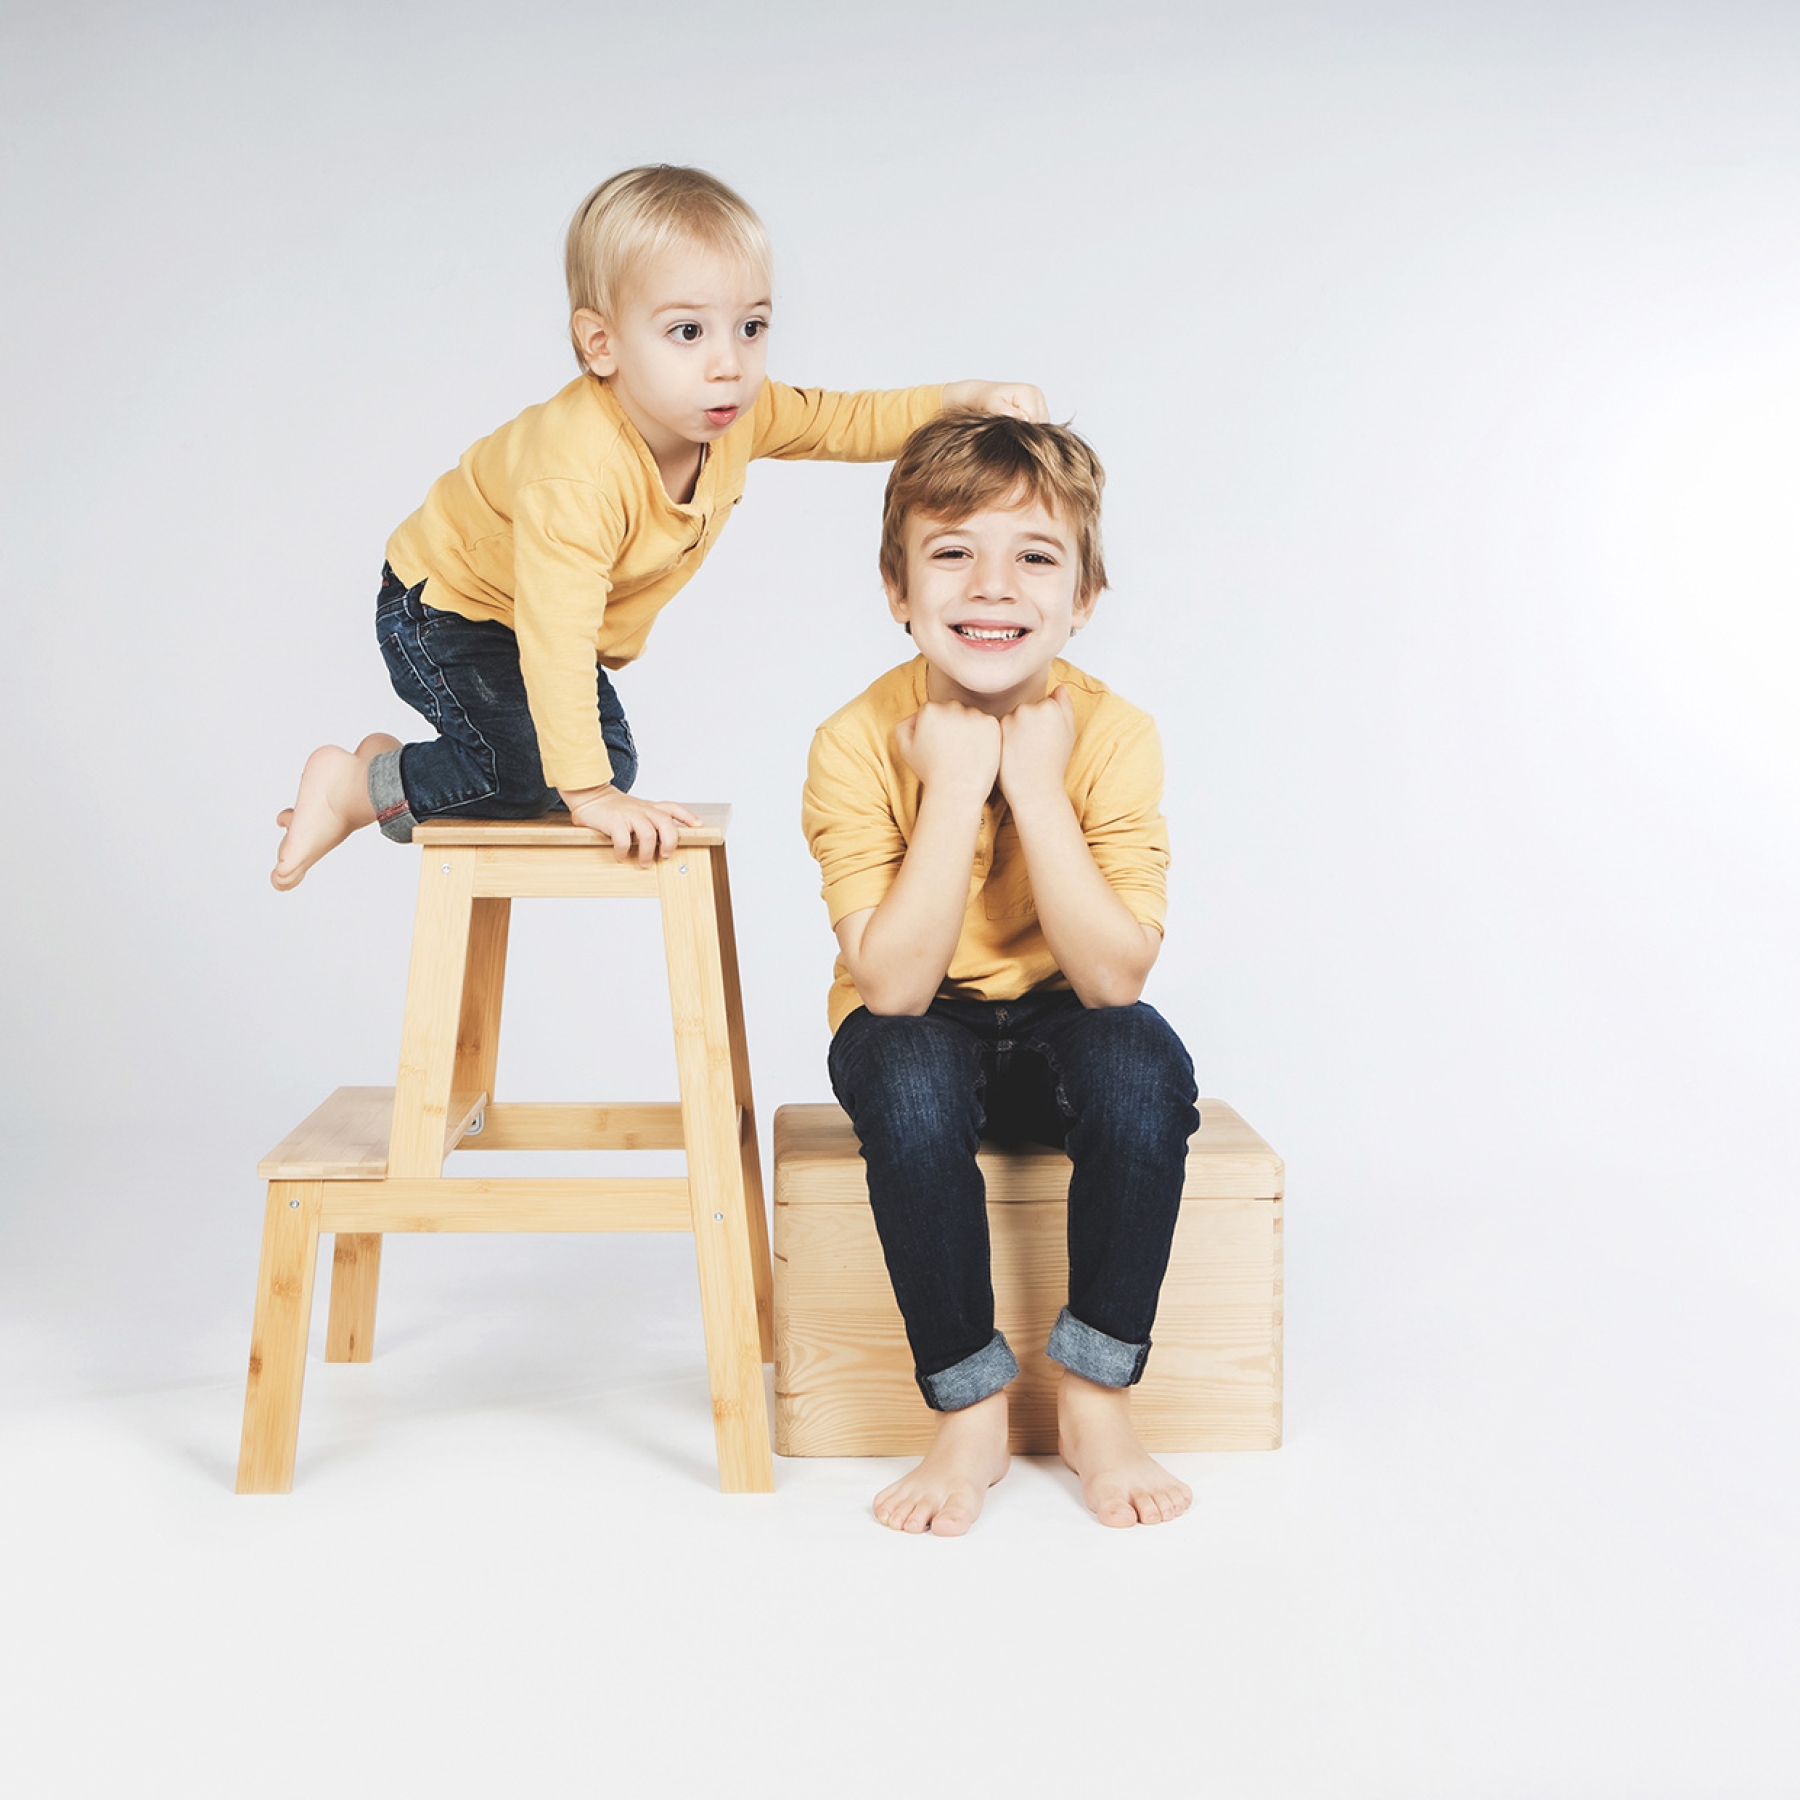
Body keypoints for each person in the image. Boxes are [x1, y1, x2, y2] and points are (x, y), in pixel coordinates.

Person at [271, 164, 1044, 886]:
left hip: (527, 619)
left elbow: (843, 420)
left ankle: (397, 770)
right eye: (687, 333)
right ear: (600, 344)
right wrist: (590, 794)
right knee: (533, 775)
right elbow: (558, 633)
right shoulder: (578, 472)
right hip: (446, 607)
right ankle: (352, 786)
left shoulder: (738, 413)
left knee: (606, 763)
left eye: (751, 328)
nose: (729, 366)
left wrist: (964, 396)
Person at [802, 414, 1199, 1534]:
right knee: (909, 1074)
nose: (994, 585)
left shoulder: (1112, 733)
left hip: (1068, 1008)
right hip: (921, 1015)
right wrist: (952, 787)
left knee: (1140, 1065)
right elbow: (892, 988)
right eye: (952, 551)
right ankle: (969, 1405)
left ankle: (1094, 1398)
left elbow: (1116, 977)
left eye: (1034, 555)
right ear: (898, 586)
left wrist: (1032, 784)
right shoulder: (853, 741)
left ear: (1081, 599)